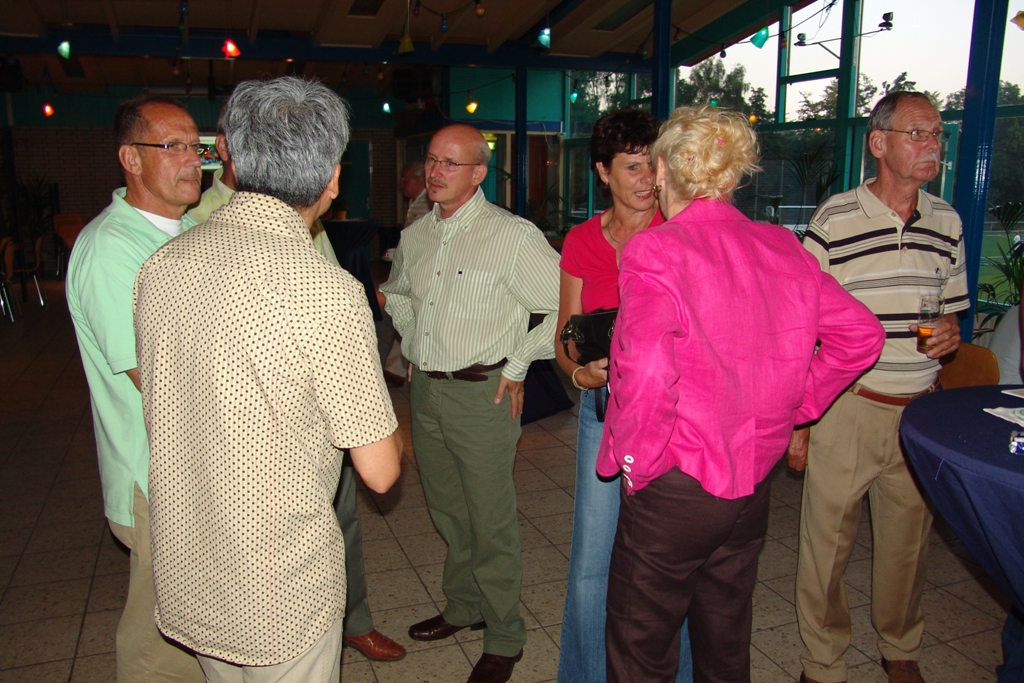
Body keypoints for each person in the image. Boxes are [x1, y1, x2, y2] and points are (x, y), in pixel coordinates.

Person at [598, 105, 885, 683]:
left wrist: (633, 462)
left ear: (663, 170)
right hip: (751, 483)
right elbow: (862, 335)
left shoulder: (657, 249)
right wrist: (795, 405)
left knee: (640, 649)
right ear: (732, 176)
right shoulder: (782, 246)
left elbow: (647, 370)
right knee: (725, 639)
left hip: (676, 482)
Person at [134, 76, 403, 683]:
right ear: (332, 177)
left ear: (233, 157)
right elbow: (381, 471)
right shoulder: (324, 289)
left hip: (191, 567)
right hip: (277, 585)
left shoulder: (163, 266)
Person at [789, 91, 970, 683]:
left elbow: (951, 311)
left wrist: (950, 332)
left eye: (937, 134)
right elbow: (802, 325)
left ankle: (900, 648)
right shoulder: (835, 219)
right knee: (826, 548)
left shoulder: (947, 222)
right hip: (848, 407)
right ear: (878, 143)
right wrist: (802, 420)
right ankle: (823, 662)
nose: (932, 146)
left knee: (908, 546)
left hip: (919, 412)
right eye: (918, 133)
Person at [380, 123, 560, 683]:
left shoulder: (512, 235)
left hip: (484, 393)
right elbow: (397, 294)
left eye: (450, 163)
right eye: (431, 160)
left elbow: (562, 307)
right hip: (426, 391)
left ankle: (505, 635)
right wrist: (414, 340)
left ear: (478, 173)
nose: (435, 172)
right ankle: (464, 606)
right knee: (448, 510)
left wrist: (518, 362)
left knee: (490, 520)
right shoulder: (417, 234)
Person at [66, 94, 206, 683]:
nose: (193, 160)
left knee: (201, 629)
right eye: (172, 146)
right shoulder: (110, 248)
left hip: (201, 468)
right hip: (159, 478)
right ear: (130, 158)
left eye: (196, 147)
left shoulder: (191, 230)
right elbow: (157, 380)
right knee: (161, 649)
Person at [554, 108, 691, 683]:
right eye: (632, 167)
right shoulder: (583, 241)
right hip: (603, 412)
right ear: (603, 171)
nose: (647, 179)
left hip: (673, 415)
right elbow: (565, 337)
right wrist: (579, 376)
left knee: (670, 561)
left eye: (652, 165)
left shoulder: (680, 235)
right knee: (592, 560)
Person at [400, 160, 431, 228]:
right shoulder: (413, 201)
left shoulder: (428, 203)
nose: (401, 183)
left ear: (417, 181)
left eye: (405, 179)